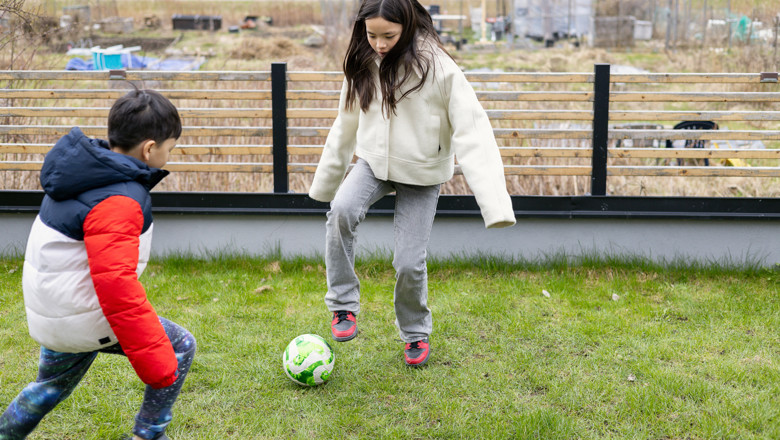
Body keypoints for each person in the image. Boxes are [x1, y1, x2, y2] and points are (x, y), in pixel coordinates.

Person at [308, 0, 516, 367]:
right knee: (340, 210)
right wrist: (327, 183)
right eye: (371, 35)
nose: (379, 44)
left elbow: (473, 131)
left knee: (408, 262)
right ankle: (343, 306)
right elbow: (346, 123)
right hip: (373, 162)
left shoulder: (437, 66)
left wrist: (495, 205)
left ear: (407, 25)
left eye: (388, 35)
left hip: (421, 173)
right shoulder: (362, 60)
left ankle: (415, 332)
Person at [0, 89, 195, 440]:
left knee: (50, 387)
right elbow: (116, 285)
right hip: (83, 312)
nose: (169, 156)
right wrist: (156, 360)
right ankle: (148, 434)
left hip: (55, 306)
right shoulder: (119, 199)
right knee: (179, 346)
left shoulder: (85, 172)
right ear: (150, 149)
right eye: (170, 148)